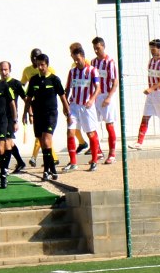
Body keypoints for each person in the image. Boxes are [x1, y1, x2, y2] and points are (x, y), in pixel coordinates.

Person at [24, 54, 69, 182]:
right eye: (38, 65)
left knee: (46, 140)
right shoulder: (33, 80)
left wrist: (67, 111)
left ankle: (46, 170)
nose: (40, 67)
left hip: (50, 114)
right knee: (42, 142)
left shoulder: (54, 79)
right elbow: (28, 98)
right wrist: (26, 113)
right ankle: (52, 169)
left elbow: (62, 96)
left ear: (47, 65)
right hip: (38, 114)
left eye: (42, 65)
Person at [63, 43, 102, 172]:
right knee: (70, 132)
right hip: (74, 106)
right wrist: (65, 105)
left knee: (90, 133)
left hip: (86, 107)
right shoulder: (72, 72)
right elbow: (67, 89)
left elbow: (98, 88)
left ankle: (94, 160)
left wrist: (92, 99)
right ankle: (73, 162)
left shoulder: (92, 70)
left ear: (83, 57)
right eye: (74, 59)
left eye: (78, 59)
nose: (76, 62)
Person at [21, 48, 58, 168]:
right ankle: (51, 160)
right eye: (33, 58)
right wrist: (27, 110)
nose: (35, 60)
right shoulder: (27, 71)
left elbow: (56, 87)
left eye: (36, 57)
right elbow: (22, 85)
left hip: (48, 107)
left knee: (45, 136)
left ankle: (41, 159)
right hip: (34, 104)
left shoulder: (50, 71)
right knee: (40, 136)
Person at [91, 37, 119, 164]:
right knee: (92, 125)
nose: (96, 50)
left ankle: (112, 154)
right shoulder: (93, 62)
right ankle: (98, 152)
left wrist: (109, 97)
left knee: (109, 124)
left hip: (107, 95)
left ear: (103, 46)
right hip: (96, 96)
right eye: (94, 48)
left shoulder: (110, 62)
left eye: (98, 48)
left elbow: (115, 82)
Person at [0, 61, 27, 174]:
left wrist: (29, 113)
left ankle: (4, 168)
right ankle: (20, 162)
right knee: (8, 142)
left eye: (5, 69)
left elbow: (26, 99)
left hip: (11, 117)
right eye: (1, 70)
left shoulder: (16, 84)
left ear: (10, 70)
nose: (3, 72)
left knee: (7, 142)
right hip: (0, 118)